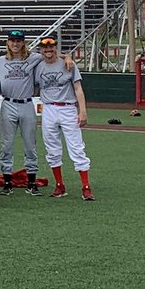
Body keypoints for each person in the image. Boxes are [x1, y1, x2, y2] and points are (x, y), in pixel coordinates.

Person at [35, 37, 94, 200]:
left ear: (56, 48)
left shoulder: (68, 64)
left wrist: (82, 111)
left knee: (76, 147)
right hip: (49, 108)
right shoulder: (38, 66)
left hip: (67, 107)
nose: (48, 51)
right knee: (52, 148)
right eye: (45, 48)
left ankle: (86, 186)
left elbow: (78, 88)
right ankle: (59, 185)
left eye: (52, 48)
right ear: (40, 50)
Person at [0, 29, 44, 196]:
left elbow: (51, 55)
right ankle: (7, 182)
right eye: (12, 41)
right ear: (7, 42)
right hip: (8, 103)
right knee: (6, 144)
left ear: (23, 43)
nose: (15, 44)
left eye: (18, 41)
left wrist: (68, 57)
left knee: (30, 144)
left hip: (27, 103)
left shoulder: (32, 58)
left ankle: (31, 182)